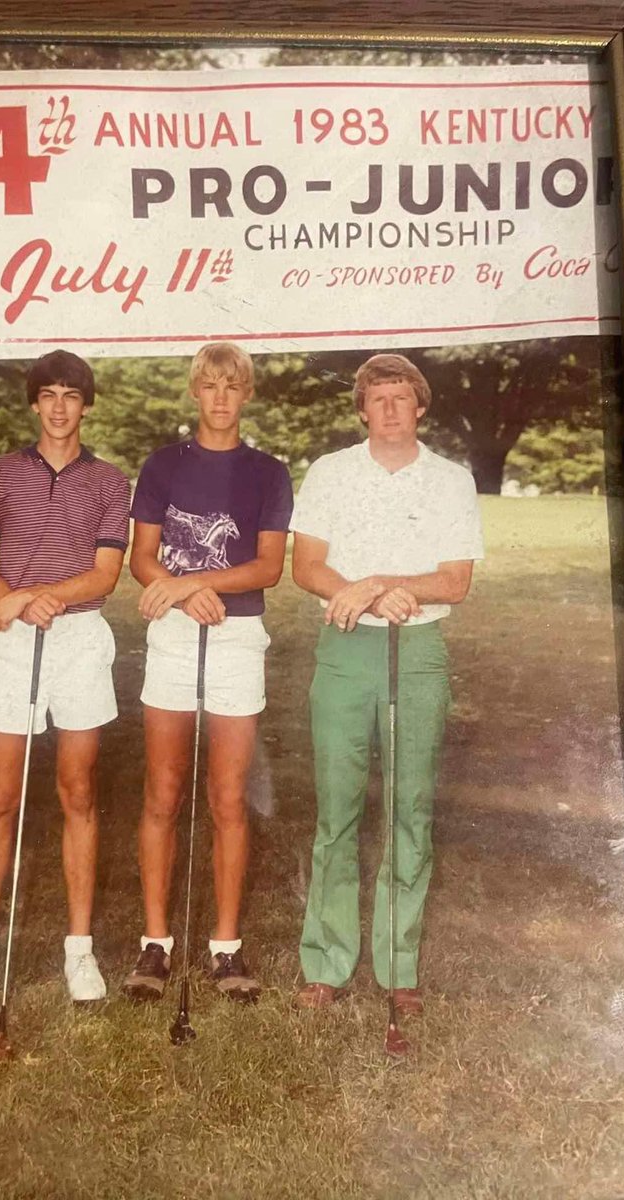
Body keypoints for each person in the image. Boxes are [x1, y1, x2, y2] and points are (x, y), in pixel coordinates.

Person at [290, 353, 484, 1012]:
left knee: (409, 811)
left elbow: (454, 580)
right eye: (378, 400)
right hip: (345, 650)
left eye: (402, 398)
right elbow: (307, 565)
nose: (391, 409)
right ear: (362, 409)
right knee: (336, 811)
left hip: (419, 649)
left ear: (420, 406)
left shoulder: (451, 479)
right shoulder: (329, 472)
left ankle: (398, 969)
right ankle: (326, 961)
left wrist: (377, 584)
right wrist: (363, 595)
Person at [0, 349, 130, 1005]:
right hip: (14, 639)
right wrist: (19, 602)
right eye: (47, 394)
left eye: (70, 396)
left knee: (77, 791)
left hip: (80, 637)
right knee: (0, 796)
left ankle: (78, 950)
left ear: (86, 405)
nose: (58, 407)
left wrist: (34, 595)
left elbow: (105, 574)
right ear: (33, 403)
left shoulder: (110, 482)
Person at [123, 342, 293, 1004]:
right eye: (209, 386)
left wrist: (193, 582)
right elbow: (141, 556)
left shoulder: (267, 472)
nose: (220, 397)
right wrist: (178, 590)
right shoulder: (163, 464)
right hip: (170, 632)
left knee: (227, 797)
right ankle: (155, 942)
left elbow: (266, 568)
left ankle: (225, 948)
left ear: (245, 394)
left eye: (232, 386)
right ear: (194, 391)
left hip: (236, 635)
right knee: (162, 792)